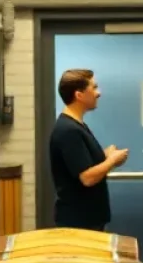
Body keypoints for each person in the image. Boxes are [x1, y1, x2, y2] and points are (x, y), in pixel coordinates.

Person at [48, 68, 128, 231]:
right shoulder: (69, 130)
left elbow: (82, 164)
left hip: (87, 220)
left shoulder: (77, 126)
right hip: (78, 223)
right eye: (94, 87)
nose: (98, 93)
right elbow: (87, 177)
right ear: (79, 95)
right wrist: (112, 161)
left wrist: (105, 155)